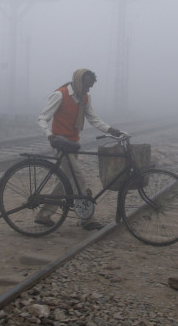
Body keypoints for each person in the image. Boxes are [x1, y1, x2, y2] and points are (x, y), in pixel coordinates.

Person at [36, 68, 122, 230]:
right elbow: (42, 118)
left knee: (65, 181)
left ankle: (43, 215)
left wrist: (111, 130)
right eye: (86, 85)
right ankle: (87, 218)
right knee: (78, 178)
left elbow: (94, 120)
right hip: (60, 143)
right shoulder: (60, 95)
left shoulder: (84, 98)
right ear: (78, 81)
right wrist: (50, 136)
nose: (88, 89)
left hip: (73, 145)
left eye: (90, 86)